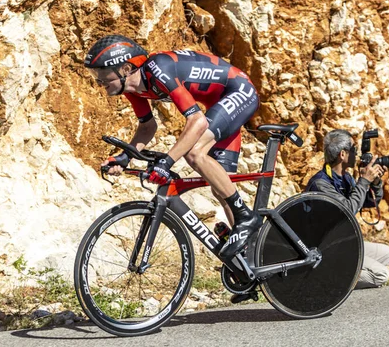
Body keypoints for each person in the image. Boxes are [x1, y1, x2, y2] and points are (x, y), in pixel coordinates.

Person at [84, 34, 261, 265]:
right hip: (218, 104)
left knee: (195, 153)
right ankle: (250, 264)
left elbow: (197, 121)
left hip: (238, 91)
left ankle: (246, 218)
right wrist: (125, 157)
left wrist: (167, 162)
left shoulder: (158, 69)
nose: (98, 81)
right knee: (221, 185)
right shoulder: (132, 88)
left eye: (101, 74)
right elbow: (148, 127)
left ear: (126, 68)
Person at [305, 129, 389, 289]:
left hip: (342, 242)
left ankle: (344, 270)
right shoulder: (321, 184)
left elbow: (366, 203)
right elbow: (347, 210)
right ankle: (326, 278)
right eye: (354, 150)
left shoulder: (345, 178)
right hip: (326, 248)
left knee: (387, 254)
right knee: (380, 275)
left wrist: (374, 183)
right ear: (342, 155)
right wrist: (364, 181)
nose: (357, 155)